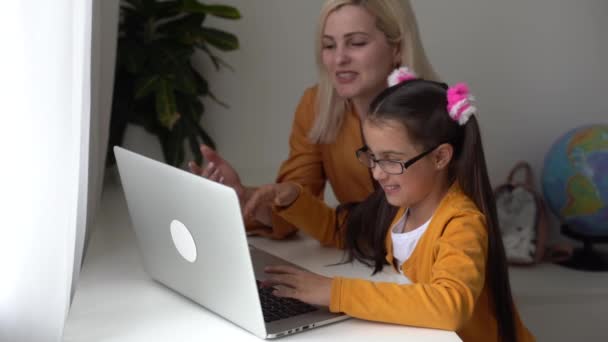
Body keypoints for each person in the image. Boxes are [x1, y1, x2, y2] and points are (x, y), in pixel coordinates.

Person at [255, 70, 536, 342]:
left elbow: (450, 307)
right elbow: (340, 230)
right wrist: (294, 199)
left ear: (440, 158)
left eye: (391, 159)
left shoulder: (462, 223)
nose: (377, 173)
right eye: (373, 157)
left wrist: (335, 293)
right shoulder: (399, 206)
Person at [189, 0, 439, 239]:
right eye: (329, 45)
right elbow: (296, 206)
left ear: (397, 48)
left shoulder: (436, 113)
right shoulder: (317, 107)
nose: (339, 59)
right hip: (362, 263)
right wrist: (245, 198)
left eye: (357, 43)